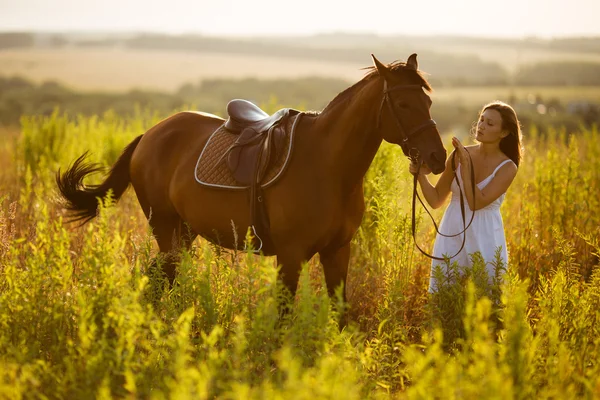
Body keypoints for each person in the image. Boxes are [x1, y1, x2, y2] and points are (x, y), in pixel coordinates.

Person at [409, 101, 523, 291]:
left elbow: (476, 203)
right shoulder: (459, 155)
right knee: (444, 296)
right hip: (451, 233)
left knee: (485, 300)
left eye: (490, 124)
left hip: (485, 237)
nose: (481, 126)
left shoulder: (508, 167)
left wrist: (466, 167)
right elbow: (436, 199)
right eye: (481, 120)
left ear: (504, 133)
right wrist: (419, 174)